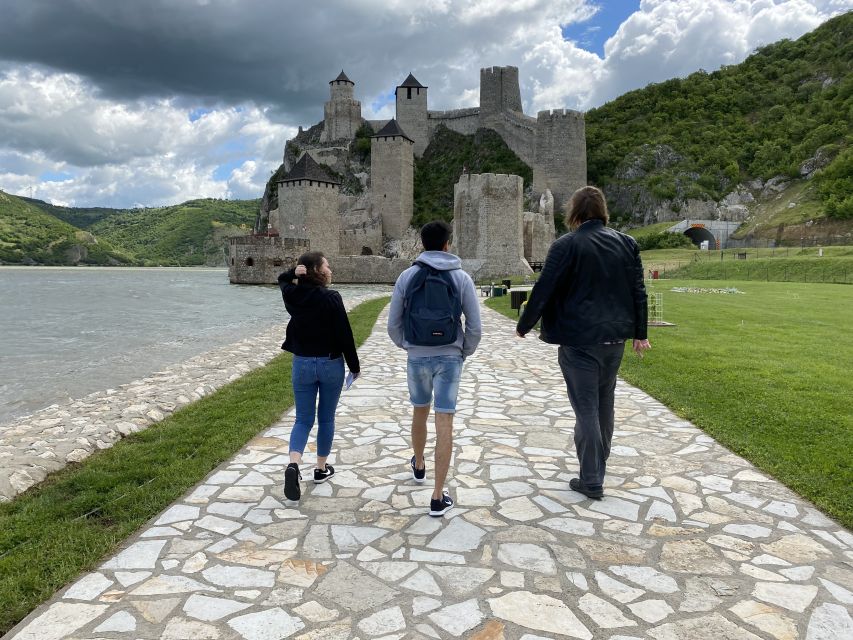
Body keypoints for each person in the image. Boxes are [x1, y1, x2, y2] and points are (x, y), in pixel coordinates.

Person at [516, 186, 650, 500]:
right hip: (614, 339)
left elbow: (544, 288)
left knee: (586, 408)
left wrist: (524, 324)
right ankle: (598, 464)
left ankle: (591, 478)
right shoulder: (627, 243)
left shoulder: (566, 245)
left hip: (579, 341)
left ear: (574, 212)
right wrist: (641, 333)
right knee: (604, 404)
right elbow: (638, 291)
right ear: (603, 211)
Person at [387, 221, 482, 516]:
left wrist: (408, 345)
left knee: (419, 410)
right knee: (445, 421)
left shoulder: (407, 276)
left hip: (417, 355)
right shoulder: (461, 278)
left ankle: (419, 464)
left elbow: (393, 324)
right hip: (449, 357)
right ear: (446, 244)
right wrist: (462, 351)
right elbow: (475, 326)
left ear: (422, 244)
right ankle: (438, 496)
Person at [278, 252, 360, 503]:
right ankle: (321, 468)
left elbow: (282, 280)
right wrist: (354, 366)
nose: (330, 269)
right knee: (326, 419)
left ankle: (294, 464)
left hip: (302, 363)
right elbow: (344, 334)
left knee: (303, 419)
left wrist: (293, 272)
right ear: (316, 270)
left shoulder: (293, 295)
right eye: (327, 266)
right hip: (329, 364)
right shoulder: (331, 297)